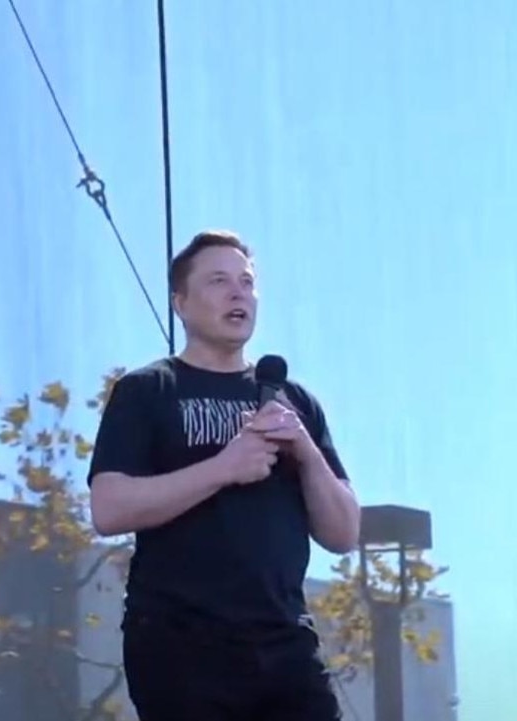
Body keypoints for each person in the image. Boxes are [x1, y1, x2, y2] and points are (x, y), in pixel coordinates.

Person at [87, 230, 361, 720]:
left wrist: (305, 450)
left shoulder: (293, 400)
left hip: (286, 640)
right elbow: (109, 508)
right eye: (218, 281)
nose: (239, 294)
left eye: (247, 282)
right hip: (181, 641)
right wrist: (223, 468)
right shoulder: (148, 390)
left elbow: (343, 533)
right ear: (181, 302)